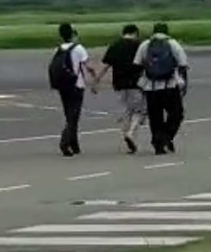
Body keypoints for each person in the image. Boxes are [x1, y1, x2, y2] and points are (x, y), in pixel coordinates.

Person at [133, 22, 189, 154]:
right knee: (176, 114)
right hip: (169, 85)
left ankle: (157, 143)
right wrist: (184, 83)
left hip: (150, 87)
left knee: (155, 116)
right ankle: (167, 136)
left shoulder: (145, 45)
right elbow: (183, 64)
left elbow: (137, 64)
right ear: (167, 31)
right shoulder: (173, 44)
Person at [93, 24, 146, 154]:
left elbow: (106, 66)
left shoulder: (115, 45)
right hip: (136, 83)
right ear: (135, 33)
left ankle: (125, 134)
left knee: (126, 110)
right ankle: (131, 133)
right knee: (140, 111)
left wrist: (96, 81)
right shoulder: (139, 45)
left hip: (119, 84)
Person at [48, 23, 97, 157]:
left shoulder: (58, 49)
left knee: (69, 114)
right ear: (73, 34)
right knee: (73, 116)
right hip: (76, 85)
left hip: (63, 86)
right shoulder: (79, 48)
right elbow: (88, 66)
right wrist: (94, 79)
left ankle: (74, 145)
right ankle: (65, 142)